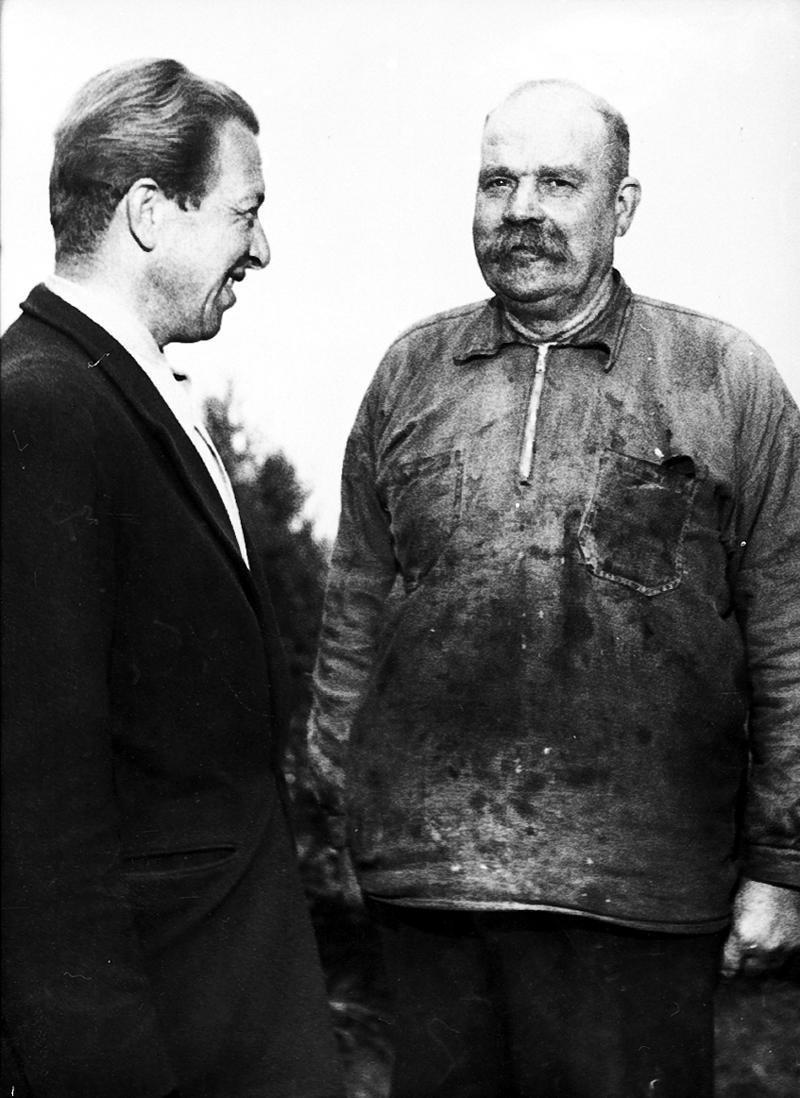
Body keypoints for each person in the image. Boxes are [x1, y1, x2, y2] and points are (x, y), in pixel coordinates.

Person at [307, 79, 800, 1097]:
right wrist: (334, 813)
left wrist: (780, 863)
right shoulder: (409, 372)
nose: (521, 209)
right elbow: (352, 612)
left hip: (641, 900)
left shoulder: (724, 377)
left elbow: (788, 634)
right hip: (430, 892)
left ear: (622, 206)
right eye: (497, 182)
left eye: (558, 183)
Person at [1, 59, 342, 1098]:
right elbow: (40, 807)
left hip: (225, 1004)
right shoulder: (43, 407)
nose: (263, 248)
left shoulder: (113, 390)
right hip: (162, 1041)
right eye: (246, 211)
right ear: (150, 212)